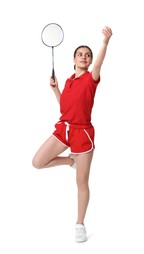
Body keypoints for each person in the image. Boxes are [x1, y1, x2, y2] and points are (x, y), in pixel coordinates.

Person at [32, 26, 112, 243]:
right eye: (80, 55)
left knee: (82, 183)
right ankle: (71, 161)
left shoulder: (90, 79)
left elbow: (99, 64)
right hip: (64, 129)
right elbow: (65, 108)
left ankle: (80, 223)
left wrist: (104, 43)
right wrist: (55, 89)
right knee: (38, 162)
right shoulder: (68, 81)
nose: (84, 57)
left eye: (87, 55)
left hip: (83, 134)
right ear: (74, 60)